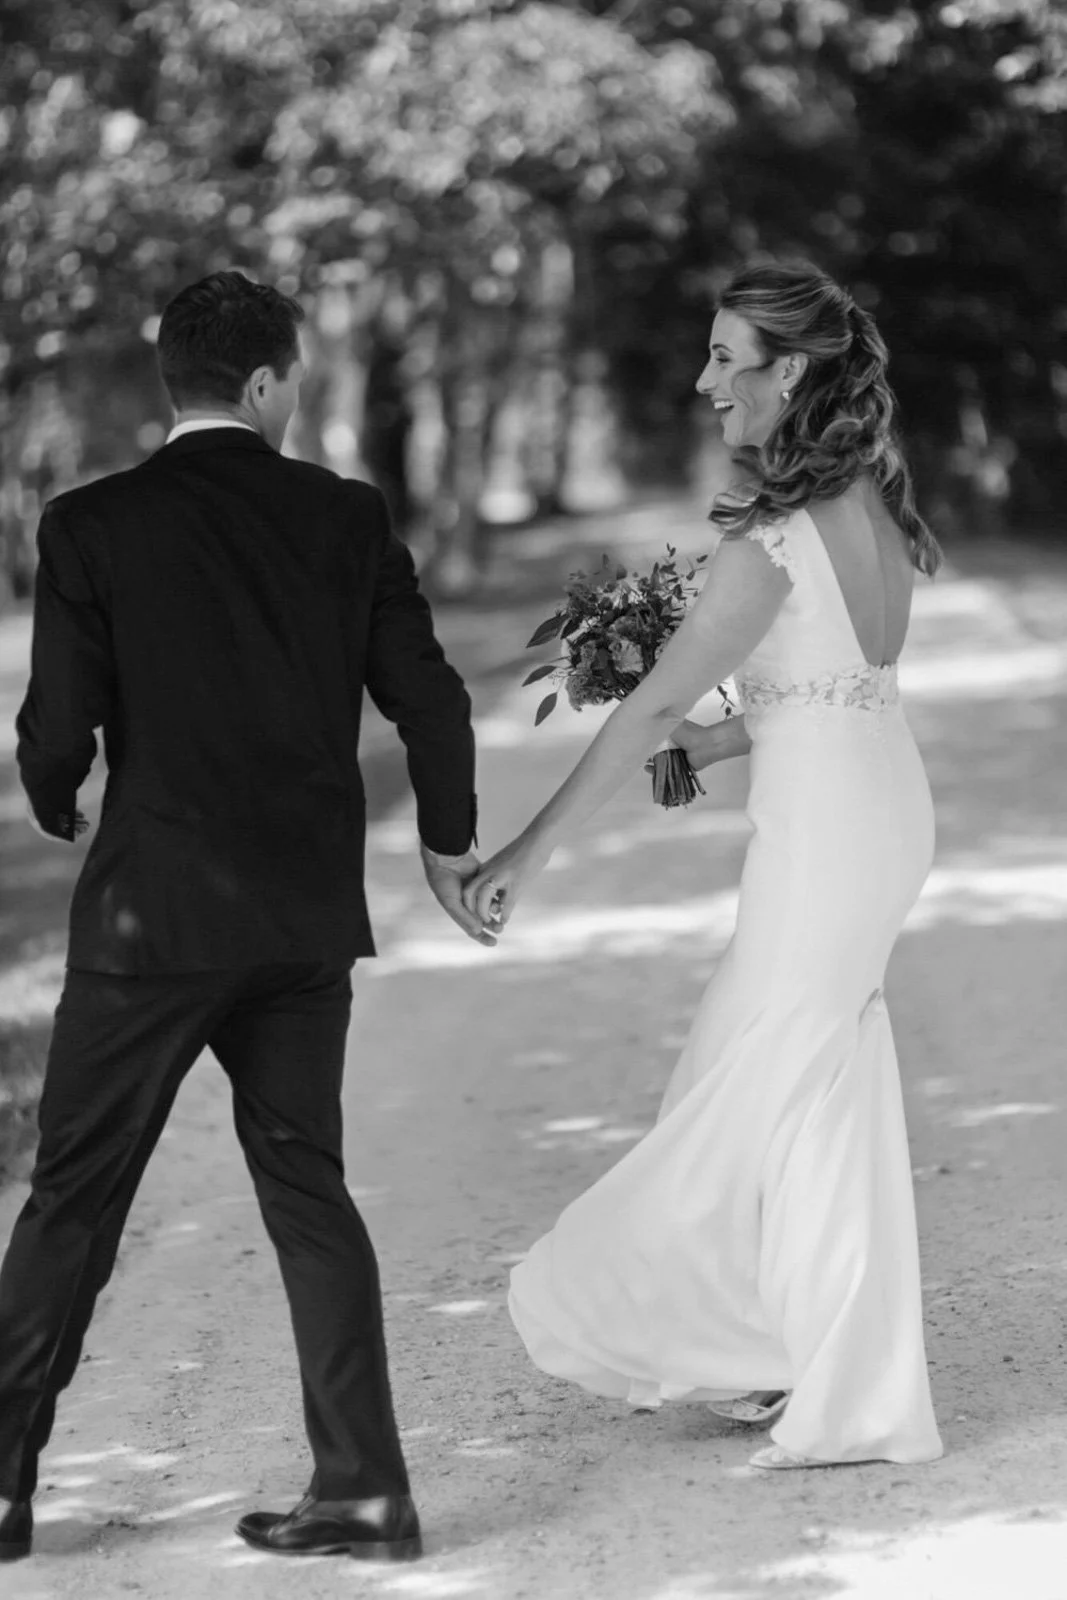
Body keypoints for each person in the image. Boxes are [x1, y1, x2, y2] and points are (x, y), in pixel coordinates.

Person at [0, 269, 493, 1565]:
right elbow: (429, 704)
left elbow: (58, 725)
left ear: (175, 381)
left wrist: (55, 799)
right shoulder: (342, 515)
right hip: (298, 921)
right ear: (271, 381)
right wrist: (447, 846)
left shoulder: (90, 523)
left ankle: (1, 1485)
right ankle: (365, 1489)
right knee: (305, 1188)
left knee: (73, 1198)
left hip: (149, 922)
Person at [464, 260, 945, 1470]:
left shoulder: (768, 543)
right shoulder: (873, 508)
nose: (704, 378)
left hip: (833, 831)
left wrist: (524, 850)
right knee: (788, 1064)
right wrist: (712, 737)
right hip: (874, 808)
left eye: (728, 357)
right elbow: (824, 690)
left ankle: (814, 1364)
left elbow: (638, 721)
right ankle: (793, 1345)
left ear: (790, 371)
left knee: (767, 1069)